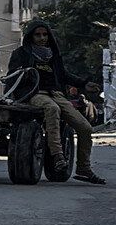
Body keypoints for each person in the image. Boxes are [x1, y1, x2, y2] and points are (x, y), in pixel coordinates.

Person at [6, 20, 103, 184]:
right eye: (38, 35)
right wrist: (21, 74)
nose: (42, 38)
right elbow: (11, 77)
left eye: (44, 34)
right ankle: (58, 155)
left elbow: (64, 75)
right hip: (35, 94)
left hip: (57, 94)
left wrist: (84, 84)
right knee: (52, 109)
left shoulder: (53, 54)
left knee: (85, 127)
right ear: (31, 36)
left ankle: (84, 169)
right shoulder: (21, 53)